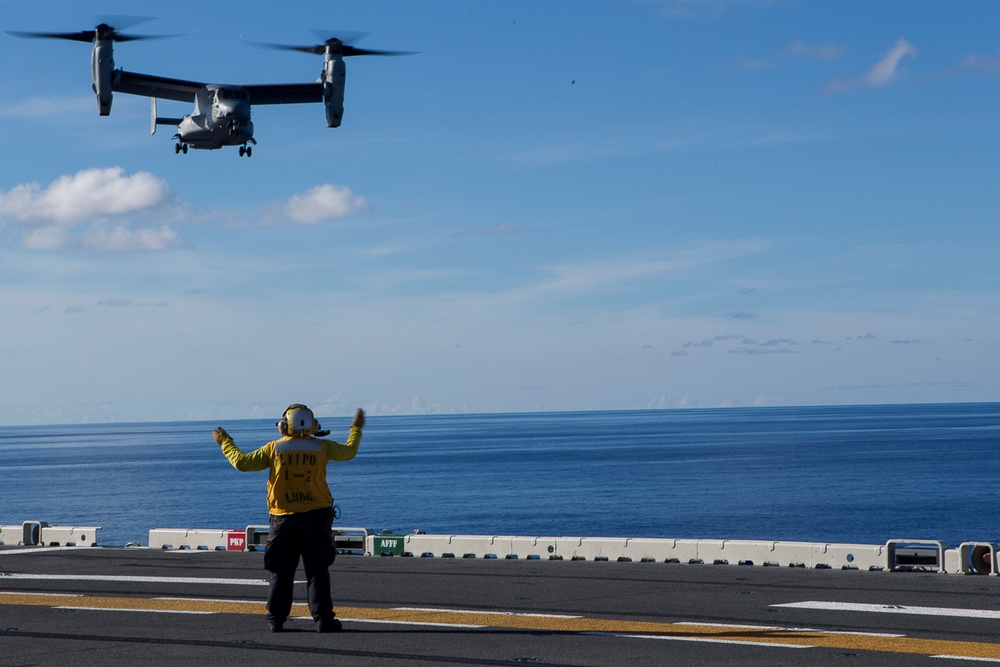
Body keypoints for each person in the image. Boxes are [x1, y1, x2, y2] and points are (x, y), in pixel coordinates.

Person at [213, 404, 364, 633]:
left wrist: (225, 442)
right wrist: (356, 429)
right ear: (313, 425)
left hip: (283, 521)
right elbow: (349, 451)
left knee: (281, 573)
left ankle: (276, 619)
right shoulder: (322, 447)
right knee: (317, 571)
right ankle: (323, 619)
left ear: (284, 425)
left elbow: (242, 463)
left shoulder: (273, 449)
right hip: (317, 519)